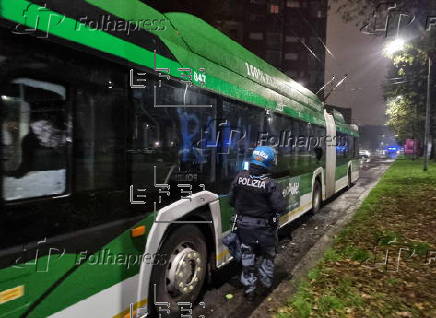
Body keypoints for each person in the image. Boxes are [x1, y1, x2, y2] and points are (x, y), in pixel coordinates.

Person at [229, 146, 287, 301]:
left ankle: (249, 290)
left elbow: (231, 201)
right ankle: (266, 285)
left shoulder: (239, 177)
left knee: (247, 257)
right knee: (268, 256)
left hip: (244, 228)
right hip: (264, 230)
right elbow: (281, 207)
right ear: (268, 162)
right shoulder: (270, 184)